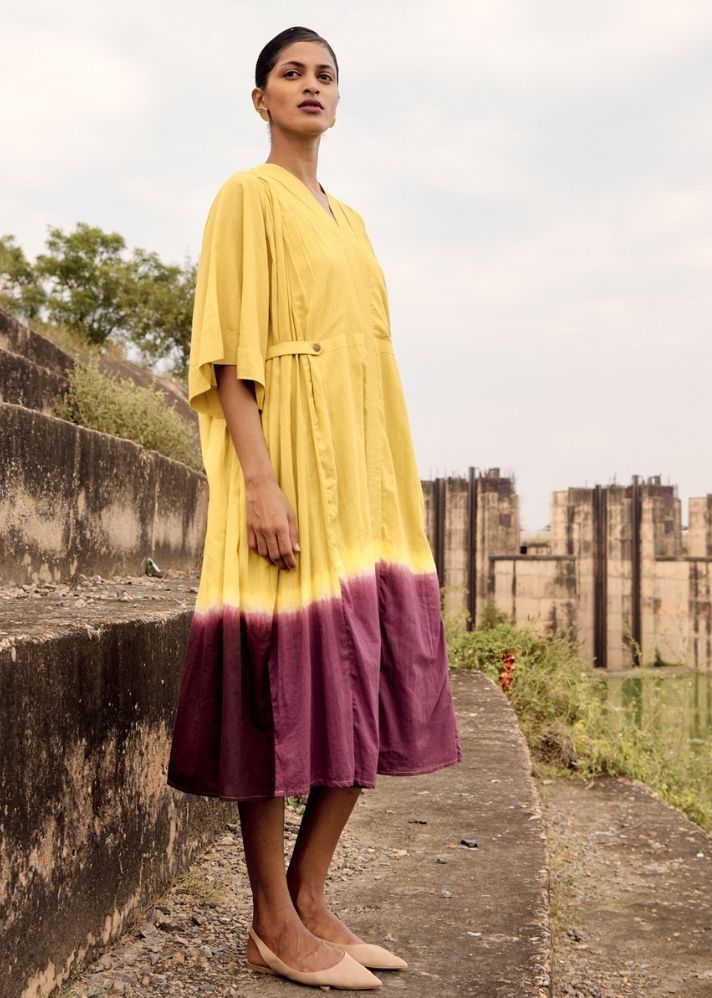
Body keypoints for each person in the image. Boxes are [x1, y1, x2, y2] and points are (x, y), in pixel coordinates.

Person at [166, 25, 463, 991]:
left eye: (325, 74)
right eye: (290, 73)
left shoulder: (354, 220)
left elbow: (370, 360)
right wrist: (259, 481)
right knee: (270, 677)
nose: (310, 85)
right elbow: (224, 352)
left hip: (364, 475)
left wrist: (387, 479)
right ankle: (268, 917)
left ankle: (310, 895)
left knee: (372, 670)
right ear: (260, 99)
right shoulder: (244, 198)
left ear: (338, 99)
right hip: (285, 462)